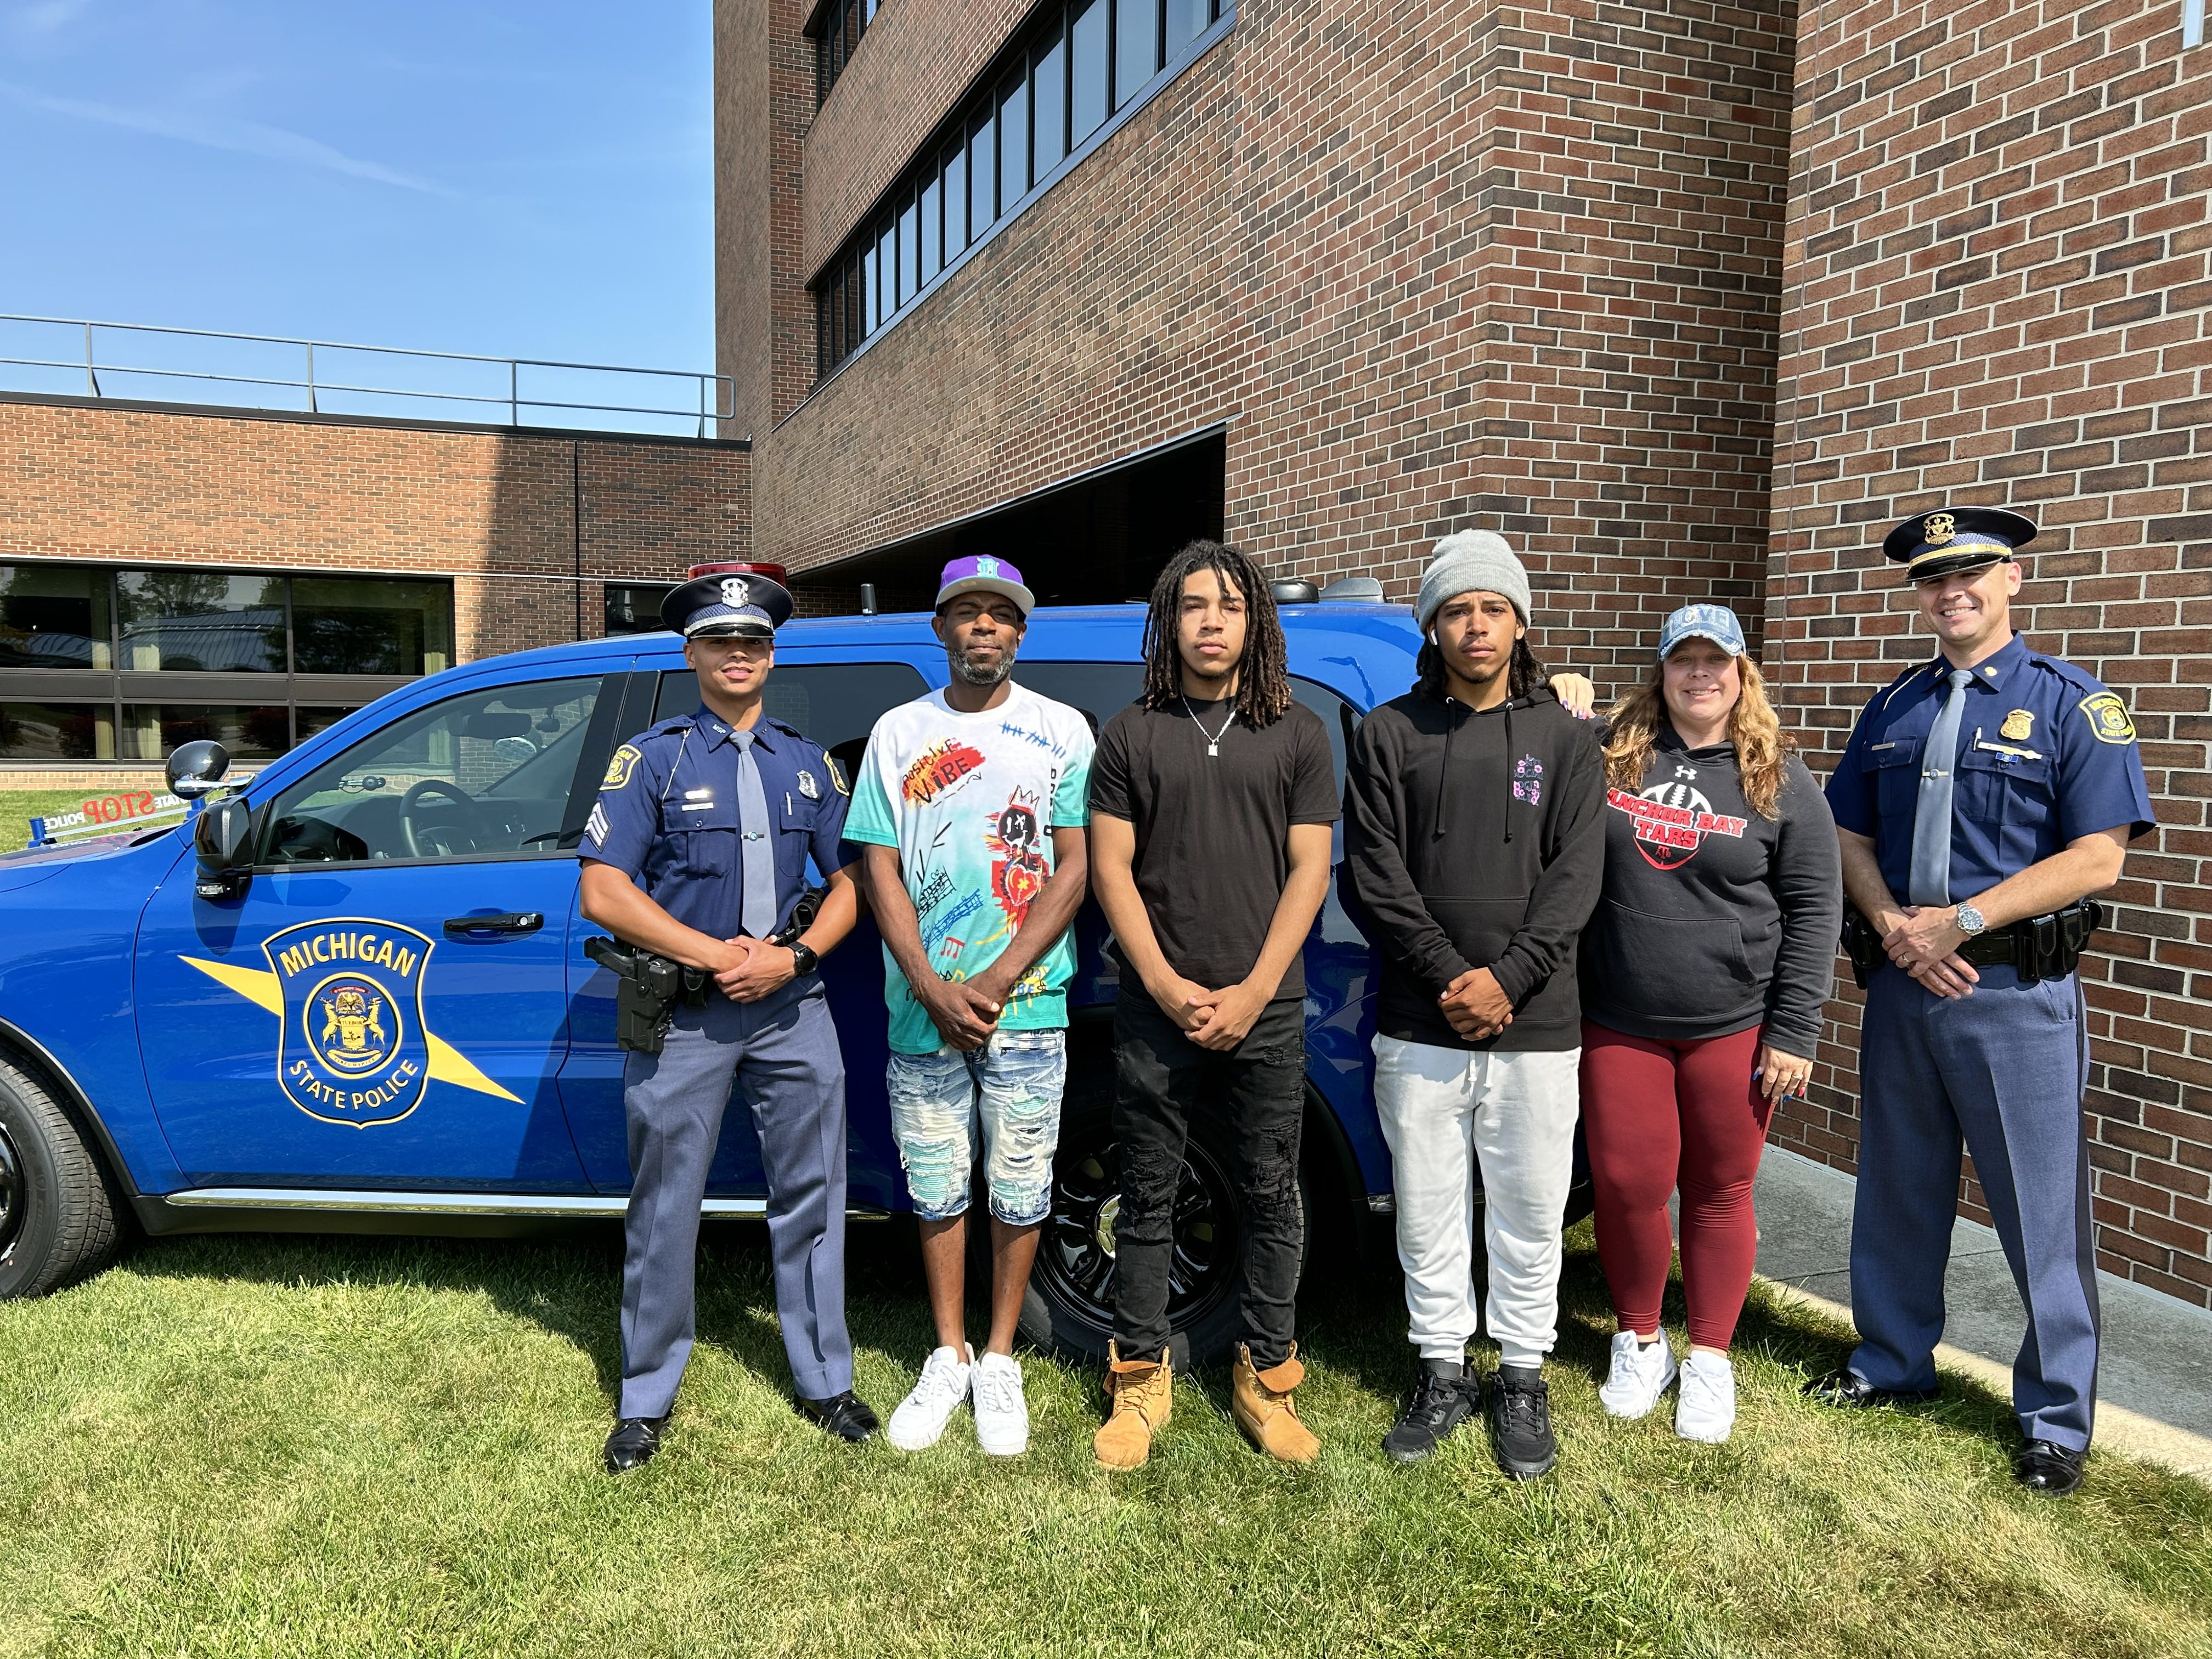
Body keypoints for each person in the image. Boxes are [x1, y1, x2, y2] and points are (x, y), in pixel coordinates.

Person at [1808, 507, 2154, 1497]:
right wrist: (1892, 929)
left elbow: (2099, 858)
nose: (1949, 591)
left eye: (1969, 573)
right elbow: (1849, 838)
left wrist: (1956, 920)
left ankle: (2055, 1418)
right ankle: (1890, 1364)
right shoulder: (1895, 707)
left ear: (2011, 581)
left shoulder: (2071, 707)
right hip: (1906, 985)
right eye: (1930, 578)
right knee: (1898, 1190)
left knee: (2042, 1216)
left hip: (2011, 992)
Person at [578, 569, 873, 1472]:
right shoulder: (653, 759)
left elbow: (851, 883)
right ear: (692, 654)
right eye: (719, 641)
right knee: (666, 1204)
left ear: (771, 655)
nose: (737, 654)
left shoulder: (807, 762)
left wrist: (792, 957)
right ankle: (646, 1396)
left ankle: (825, 1379)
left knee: (814, 1195)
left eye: (752, 641)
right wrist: (718, 957)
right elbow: (602, 889)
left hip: (793, 1008)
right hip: (690, 1012)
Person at [1342, 531, 1605, 1477]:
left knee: (1532, 1210)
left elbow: (1578, 877)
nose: (1476, 624)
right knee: (1427, 1208)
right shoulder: (1388, 734)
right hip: (1421, 1022)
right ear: (1433, 625)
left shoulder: (1569, 741)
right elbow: (1374, 875)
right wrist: (1453, 976)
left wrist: (1510, 978)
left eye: (1493, 607)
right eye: (1457, 609)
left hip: (1538, 1027)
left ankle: (1524, 1375)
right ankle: (1443, 1367)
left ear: (1521, 621)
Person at [1086, 540, 1339, 1469]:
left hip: (1267, 1007)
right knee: (1146, 1194)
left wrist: (1254, 991)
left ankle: (1266, 1378)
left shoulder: (1300, 733)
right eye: (1195, 605)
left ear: (1255, 621)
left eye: (1230, 606)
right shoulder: (1131, 734)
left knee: (1274, 1195)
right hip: (1158, 1005)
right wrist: (1159, 981)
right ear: (1170, 620)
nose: (1212, 621)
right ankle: (1139, 1381)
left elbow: (1310, 870)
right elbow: (1111, 868)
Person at [845, 556, 1093, 1457]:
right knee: (938, 1186)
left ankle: (999, 1360)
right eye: (967, 613)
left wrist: (993, 982)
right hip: (921, 1011)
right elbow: (878, 863)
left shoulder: (1062, 731)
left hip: (1027, 1007)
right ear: (941, 629)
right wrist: (929, 983)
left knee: (1021, 1188)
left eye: (1001, 615)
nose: (984, 627)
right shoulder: (898, 733)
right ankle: (946, 1352)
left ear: (1021, 634)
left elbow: (1076, 867)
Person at [1578, 603, 1841, 1443]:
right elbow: (1537, 751)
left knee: (1720, 1189)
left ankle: (1712, 1357)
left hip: (1734, 1022)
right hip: (1622, 1016)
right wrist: (1558, 693)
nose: (1700, 674)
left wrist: (1795, 1031)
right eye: (1683, 660)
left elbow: (1814, 908)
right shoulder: (1611, 757)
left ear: (1742, 673)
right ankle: (1640, 1338)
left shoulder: (1782, 778)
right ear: (1661, 671)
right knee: (1626, 1185)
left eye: (1716, 660)